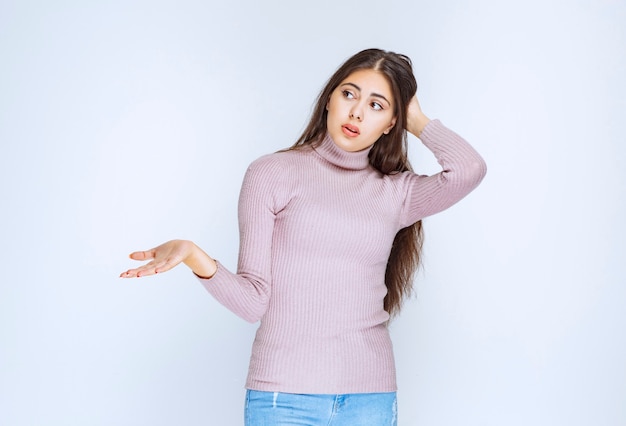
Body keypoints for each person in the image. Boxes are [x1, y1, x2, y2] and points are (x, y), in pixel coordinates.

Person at [120, 48, 487, 425]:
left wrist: (418, 119)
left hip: (369, 400)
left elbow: (469, 170)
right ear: (329, 98)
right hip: (283, 399)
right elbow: (252, 303)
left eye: (377, 105)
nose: (357, 112)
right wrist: (195, 257)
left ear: (393, 122)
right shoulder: (271, 174)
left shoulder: (396, 193)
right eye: (349, 94)